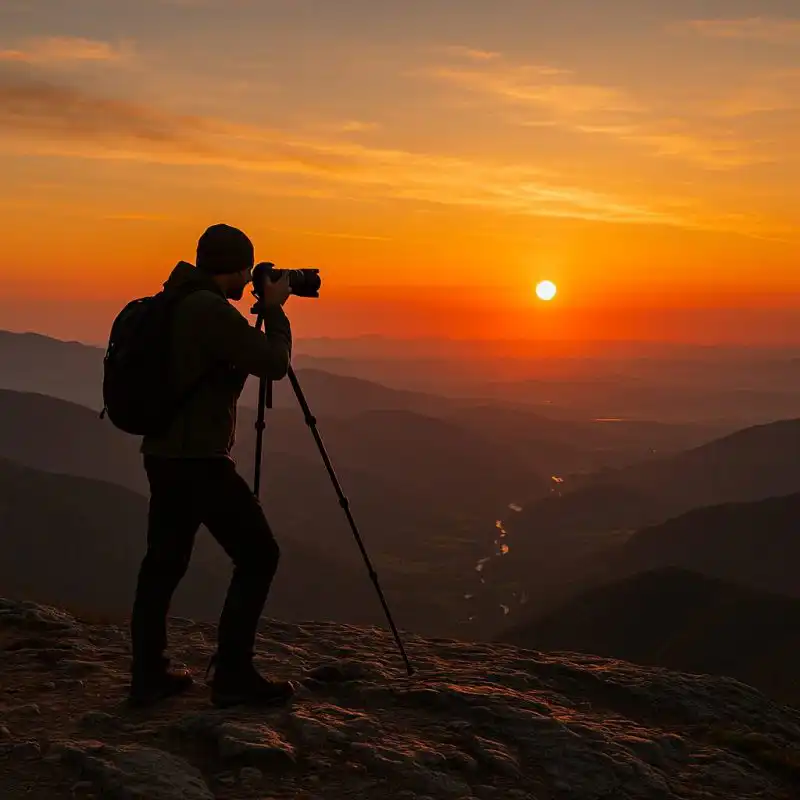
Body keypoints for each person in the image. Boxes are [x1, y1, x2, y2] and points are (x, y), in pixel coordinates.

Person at [128, 223, 295, 708]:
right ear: (240, 268)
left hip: (161, 453)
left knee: (163, 562)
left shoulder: (175, 299)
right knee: (259, 555)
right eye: (248, 270)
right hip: (198, 459)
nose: (250, 280)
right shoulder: (209, 310)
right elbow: (272, 362)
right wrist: (275, 311)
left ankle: (148, 674)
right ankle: (234, 675)